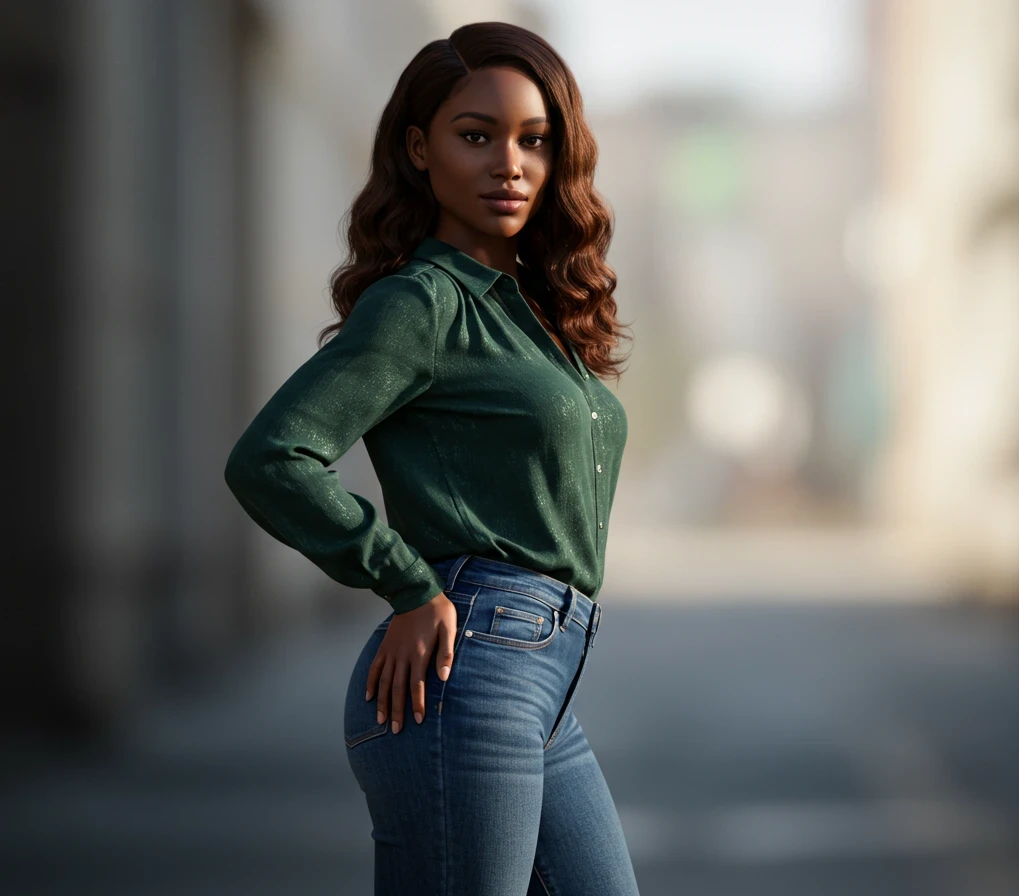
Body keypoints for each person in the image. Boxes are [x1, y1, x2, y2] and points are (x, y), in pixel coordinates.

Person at [222, 21, 639, 895]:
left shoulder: (535, 314)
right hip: (469, 674)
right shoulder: (421, 304)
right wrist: (406, 583)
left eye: (534, 140)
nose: (510, 164)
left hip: (545, 687)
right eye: (476, 135)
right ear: (420, 148)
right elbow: (272, 456)